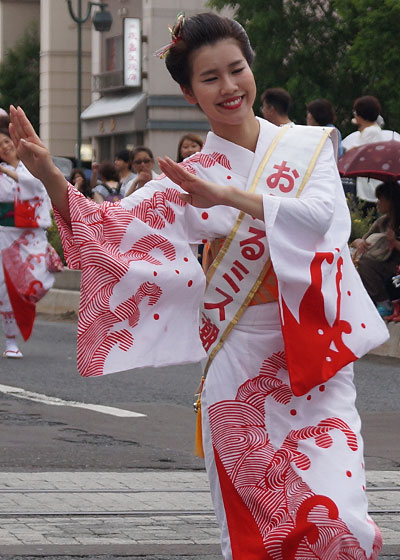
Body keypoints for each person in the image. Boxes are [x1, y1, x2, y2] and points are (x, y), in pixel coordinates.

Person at [9, 10, 388, 559]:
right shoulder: (186, 177)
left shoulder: (307, 147)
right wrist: (48, 174)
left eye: (236, 70)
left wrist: (228, 198)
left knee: (341, 522)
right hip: (240, 370)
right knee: (264, 526)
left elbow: (318, 216)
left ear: (252, 70)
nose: (229, 87)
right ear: (189, 93)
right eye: (210, 79)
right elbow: (107, 230)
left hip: (313, 357)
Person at [0, 127, 54, 358]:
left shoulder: (28, 169)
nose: (4, 146)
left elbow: (36, 187)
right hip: (5, 234)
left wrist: (9, 172)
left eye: (5, 141)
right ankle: (11, 340)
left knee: (39, 282)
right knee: (6, 288)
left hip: (30, 234)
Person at [352, 181, 400, 317]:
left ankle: (384, 302)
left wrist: (394, 241)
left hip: (395, 271)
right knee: (359, 263)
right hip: (383, 267)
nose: (377, 203)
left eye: (380, 199)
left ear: (391, 201)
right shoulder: (382, 222)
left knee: (365, 264)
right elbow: (359, 240)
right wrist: (359, 242)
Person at [350, 96, 384, 209]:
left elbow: (355, 152)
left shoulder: (371, 131)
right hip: (365, 182)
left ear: (361, 114)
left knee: (367, 213)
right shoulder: (370, 130)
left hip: (369, 185)